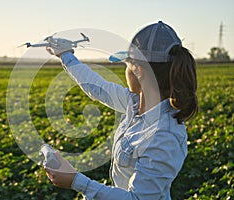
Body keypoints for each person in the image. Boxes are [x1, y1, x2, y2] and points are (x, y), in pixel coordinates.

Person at [44, 21, 198, 199]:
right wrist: (65, 55)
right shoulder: (133, 104)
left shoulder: (164, 136)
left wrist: (75, 181)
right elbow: (97, 87)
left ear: (138, 69)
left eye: (127, 64)